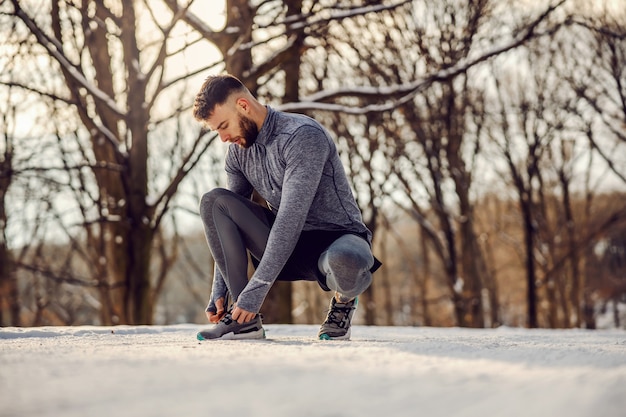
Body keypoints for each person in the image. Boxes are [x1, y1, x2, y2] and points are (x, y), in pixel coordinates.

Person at [193, 74, 380, 341]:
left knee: (346, 260)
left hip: (336, 240)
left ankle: (343, 302)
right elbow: (224, 220)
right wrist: (219, 290)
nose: (223, 138)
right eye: (217, 131)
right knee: (214, 201)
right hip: (282, 248)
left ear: (243, 106)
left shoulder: (302, 136)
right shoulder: (238, 152)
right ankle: (244, 321)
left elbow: (291, 219)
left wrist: (256, 291)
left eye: (224, 126)